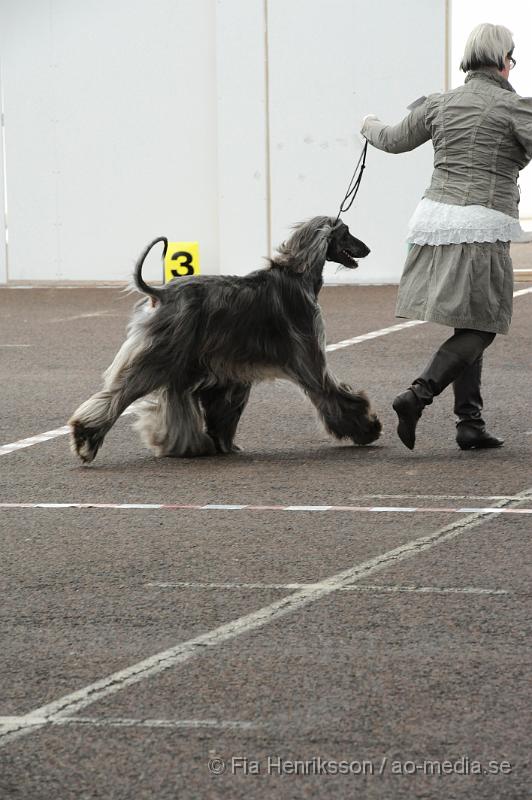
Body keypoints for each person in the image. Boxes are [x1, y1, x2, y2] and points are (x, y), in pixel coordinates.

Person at [361, 23, 532, 450]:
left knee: (469, 320)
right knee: (485, 324)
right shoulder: (513, 108)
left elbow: (393, 140)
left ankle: (469, 424)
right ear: (503, 60)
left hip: (435, 222)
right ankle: (417, 395)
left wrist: (367, 124)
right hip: (482, 223)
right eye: (512, 57)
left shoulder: (440, 104)